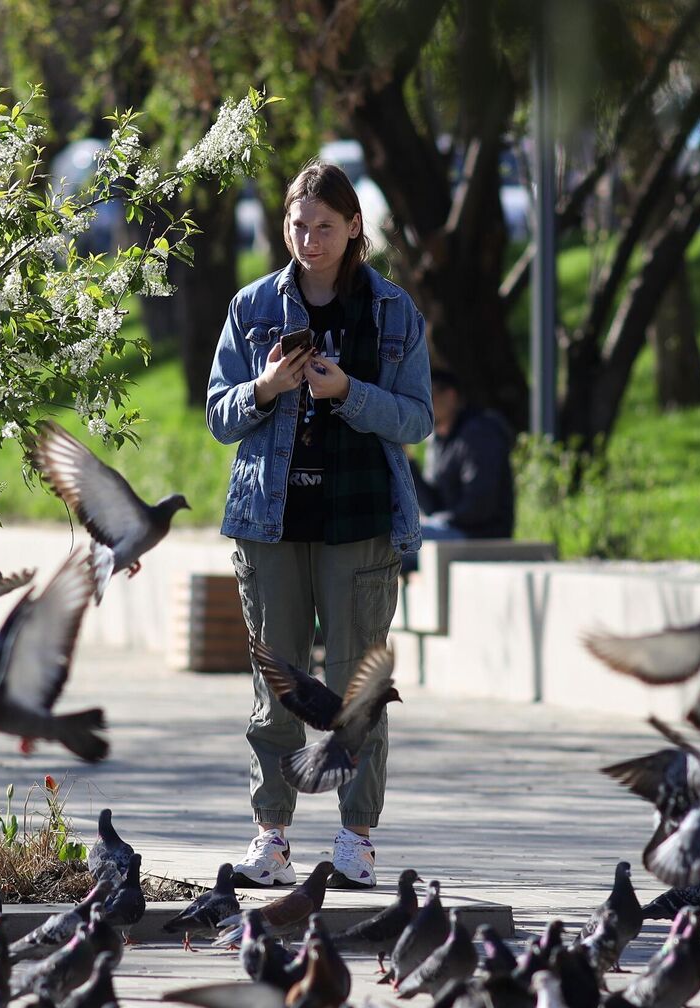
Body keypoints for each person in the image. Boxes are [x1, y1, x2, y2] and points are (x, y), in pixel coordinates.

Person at [205, 160, 434, 890]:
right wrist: (267, 388)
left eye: (325, 226)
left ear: (355, 227)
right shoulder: (251, 307)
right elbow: (219, 414)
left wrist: (350, 393)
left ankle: (355, 839)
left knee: (354, 687)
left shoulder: (392, 312)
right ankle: (270, 838)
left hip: (360, 521)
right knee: (274, 686)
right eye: (298, 226)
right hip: (269, 522)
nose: (310, 239)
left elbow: (418, 418)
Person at [413, 368, 514, 544]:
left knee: (395, 539)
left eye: (426, 395)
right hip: (449, 529)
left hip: (479, 535)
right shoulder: (437, 440)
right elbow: (432, 506)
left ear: (450, 395)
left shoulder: (479, 433)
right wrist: (408, 462)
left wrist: (439, 520)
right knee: (393, 532)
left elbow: (480, 505)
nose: (420, 403)